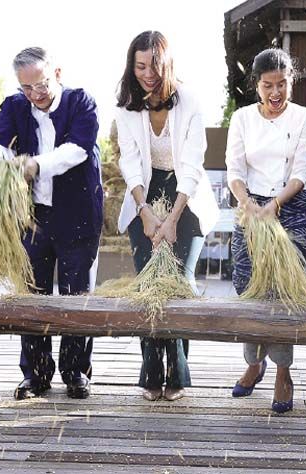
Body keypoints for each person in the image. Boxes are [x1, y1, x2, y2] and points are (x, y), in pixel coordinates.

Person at [0, 47, 103, 400]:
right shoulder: (14, 105)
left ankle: (75, 373)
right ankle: (36, 375)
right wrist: (2, 165)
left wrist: (35, 165)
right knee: (31, 295)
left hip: (78, 216)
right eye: (27, 88)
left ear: (57, 72)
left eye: (41, 84)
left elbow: (77, 150)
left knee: (75, 296)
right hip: (33, 218)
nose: (35, 94)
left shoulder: (81, 102)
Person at [116, 31, 219, 402]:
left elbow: (191, 166)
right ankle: (150, 373)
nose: (147, 73)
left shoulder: (189, 101)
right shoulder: (126, 105)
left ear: (167, 65)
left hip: (185, 195)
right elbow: (129, 162)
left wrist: (173, 218)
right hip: (145, 192)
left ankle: (177, 374)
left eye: (154, 66)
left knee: (177, 283)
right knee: (148, 283)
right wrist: (144, 211)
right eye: (140, 66)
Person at [226, 48, 306, 414]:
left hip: (290, 204)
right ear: (257, 86)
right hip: (249, 204)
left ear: (291, 81)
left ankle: (282, 371)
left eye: (282, 84)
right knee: (248, 285)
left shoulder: (304, 118)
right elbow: (234, 168)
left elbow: (301, 170)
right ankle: (253, 360)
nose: (275, 93)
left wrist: (274, 206)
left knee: (283, 290)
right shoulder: (243, 118)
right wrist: (248, 204)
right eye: (268, 86)